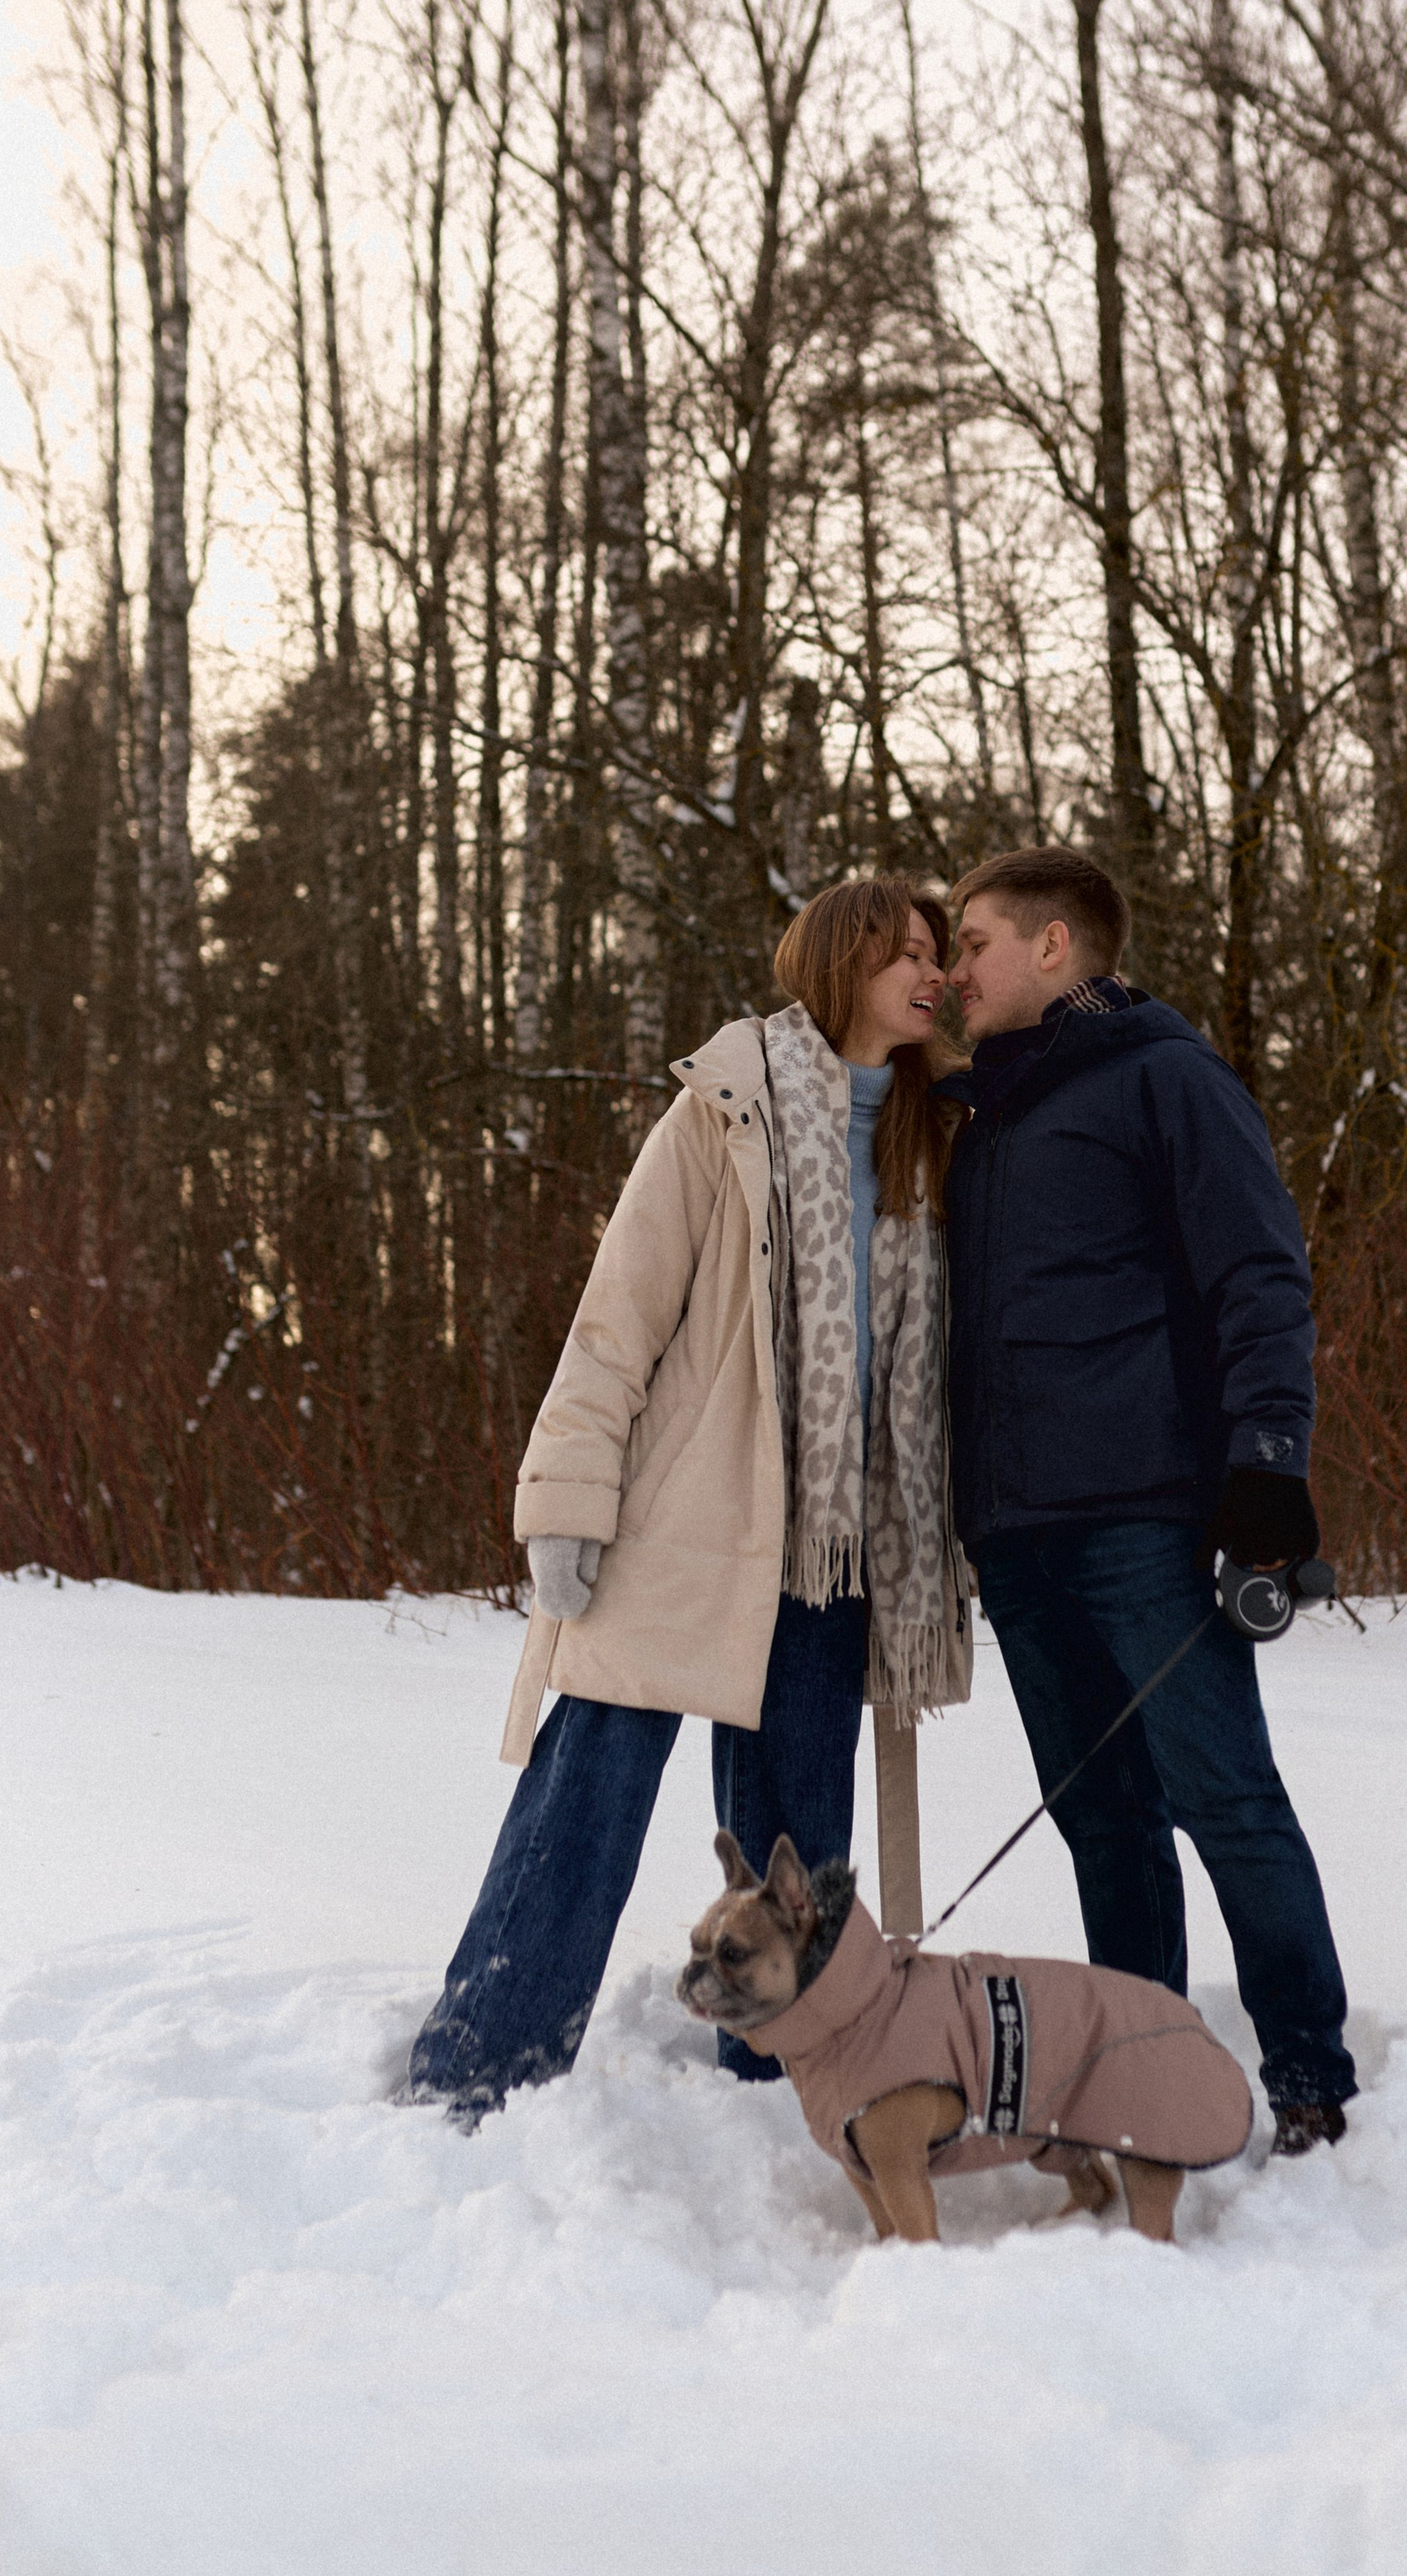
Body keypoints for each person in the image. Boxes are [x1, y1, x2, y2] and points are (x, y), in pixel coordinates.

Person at [405, 878, 973, 2120]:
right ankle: (480, 2067)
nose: (932, 975)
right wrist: (567, 1498)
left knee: (797, 1845)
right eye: (904, 955)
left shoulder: (937, 1135)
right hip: (684, 1524)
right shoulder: (724, 1114)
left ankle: (776, 2078)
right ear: (837, 967)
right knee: (588, 1806)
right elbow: (620, 1315)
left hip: (835, 1546)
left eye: (939, 955)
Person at [941, 844, 1356, 2152]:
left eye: (975, 945)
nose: (953, 972)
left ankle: (1307, 2078)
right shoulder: (984, 1120)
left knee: (1222, 1797)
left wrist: (1268, 1468)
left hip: (1148, 1519)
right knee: (1101, 1819)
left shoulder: (1167, 1079)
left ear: (1055, 947)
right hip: (1016, 1532)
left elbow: (1259, 1276)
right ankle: (1140, 2059)